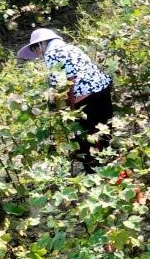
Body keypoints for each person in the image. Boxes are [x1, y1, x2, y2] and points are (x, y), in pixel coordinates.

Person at [17, 28, 114, 172]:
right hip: (103, 89)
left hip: (85, 97)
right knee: (104, 129)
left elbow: (60, 86)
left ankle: (94, 172)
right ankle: (110, 164)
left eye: (36, 49)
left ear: (42, 44)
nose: (38, 54)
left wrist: (59, 110)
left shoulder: (51, 54)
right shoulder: (72, 48)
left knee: (85, 137)